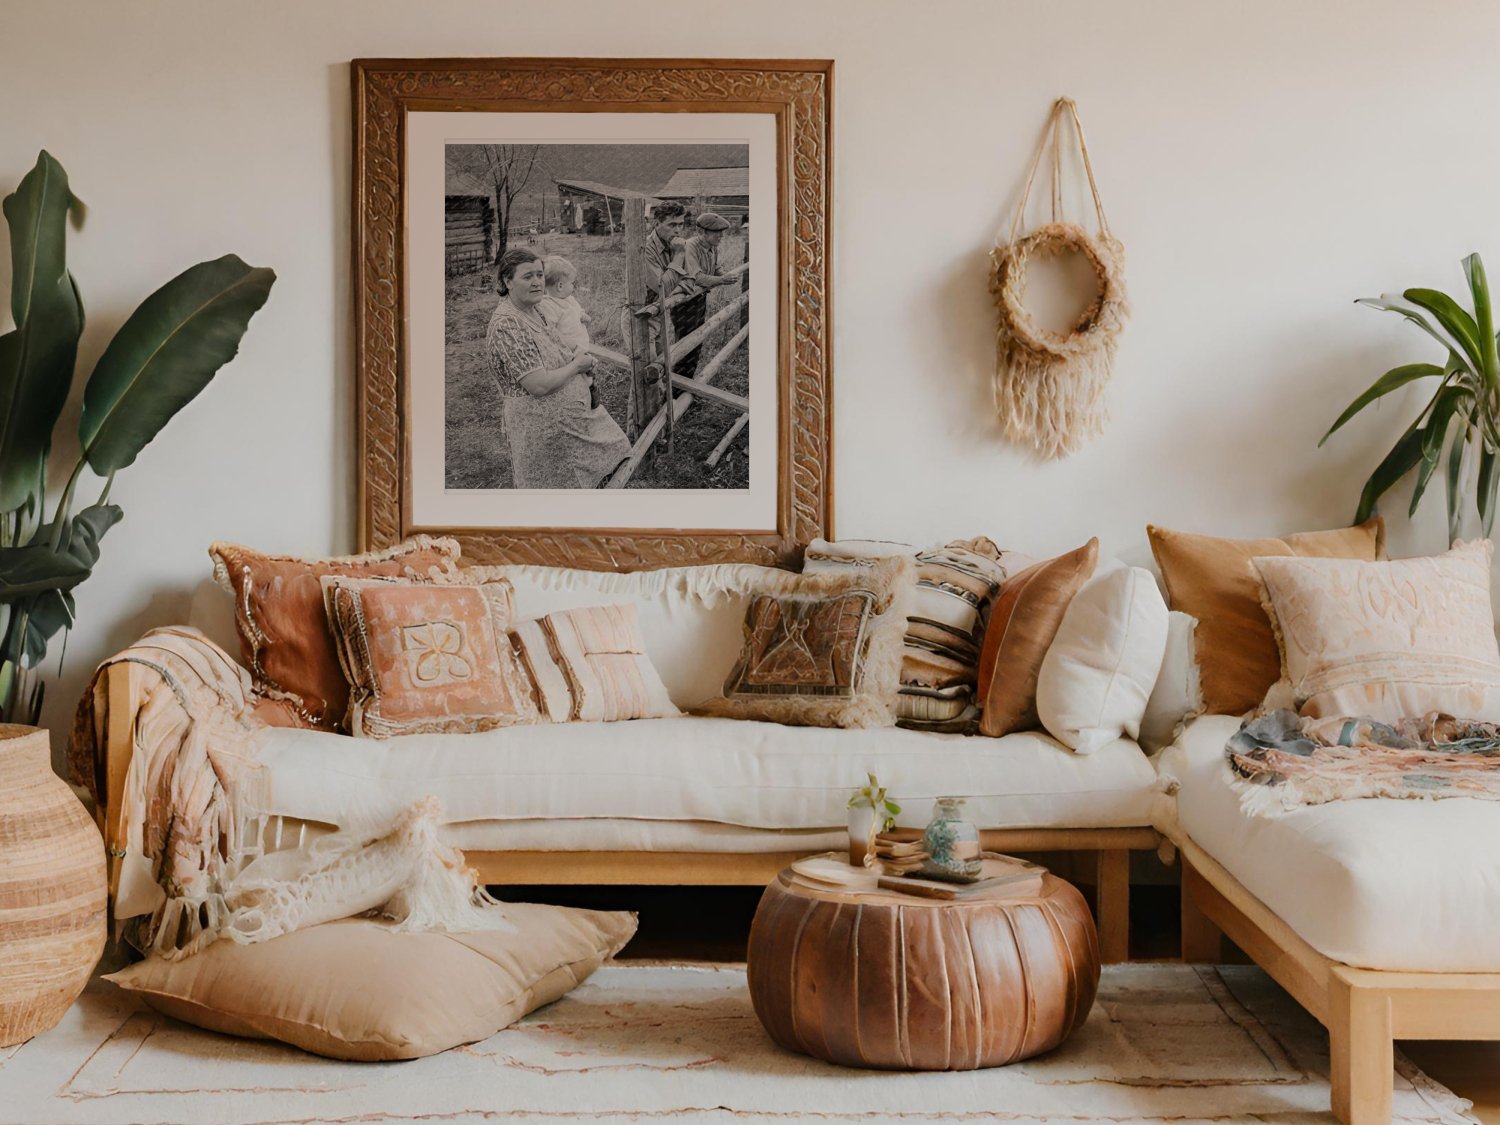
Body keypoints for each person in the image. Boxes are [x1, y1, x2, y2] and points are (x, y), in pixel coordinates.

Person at [485, 248, 630, 488]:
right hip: (540, 427)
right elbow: (538, 385)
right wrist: (577, 366)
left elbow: (557, 339)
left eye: (540, 275)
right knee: (554, 488)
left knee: (613, 456)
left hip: (566, 420)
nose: (537, 283)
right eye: (527, 276)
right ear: (507, 281)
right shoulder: (508, 325)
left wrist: (578, 350)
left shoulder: (535, 309)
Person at [673, 211, 735, 378]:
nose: (721, 236)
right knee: (685, 344)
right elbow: (697, 277)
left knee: (696, 340)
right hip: (684, 301)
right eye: (716, 232)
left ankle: (687, 382)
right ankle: (677, 388)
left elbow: (715, 268)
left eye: (722, 232)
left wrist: (723, 273)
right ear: (701, 232)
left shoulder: (712, 248)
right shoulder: (690, 246)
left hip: (699, 299)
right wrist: (722, 280)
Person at [537, 255, 591, 355]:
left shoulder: (569, 298)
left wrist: (582, 314)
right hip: (566, 351)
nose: (573, 286)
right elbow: (550, 331)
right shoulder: (548, 305)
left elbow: (577, 309)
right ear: (560, 286)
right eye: (572, 283)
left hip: (580, 345)